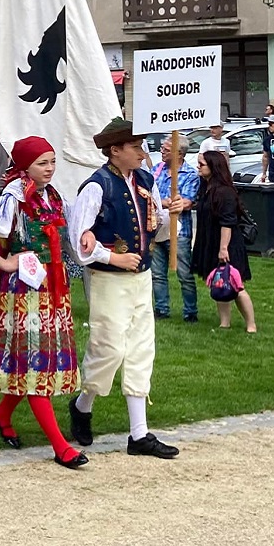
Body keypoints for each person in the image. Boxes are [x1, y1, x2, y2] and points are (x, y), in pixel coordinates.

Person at [0, 137, 88, 469]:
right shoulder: (14, 197)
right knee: (35, 364)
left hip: (53, 288)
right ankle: (61, 446)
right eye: (42, 163)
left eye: (51, 162)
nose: (49, 168)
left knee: (35, 363)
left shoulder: (53, 195)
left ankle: (2, 414)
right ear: (25, 166)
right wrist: (5, 263)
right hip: (24, 292)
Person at [67, 117, 183, 460]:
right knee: (109, 348)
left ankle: (139, 433)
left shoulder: (146, 180)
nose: (141, 153)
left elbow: (155, 231)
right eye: (135, 147)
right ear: (115, 150)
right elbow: (78, 239)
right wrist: (113, 258)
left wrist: (168, 214)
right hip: (109, 279)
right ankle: (82, 404)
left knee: (140, 348)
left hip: (140, 278)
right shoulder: (97, 186)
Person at [193, 150, 257, 332]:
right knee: (220, 282)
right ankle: (224, 322)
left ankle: (251, 324)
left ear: (213, 167)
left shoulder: (225, 192)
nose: (198, 167)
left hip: (227, 244)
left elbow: (227, 222)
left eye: (202, 164)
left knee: (236, 284)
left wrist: (223, 248)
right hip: (212, 242)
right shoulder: (206, 187)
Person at [150, 138, 200, 322]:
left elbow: (184, 203)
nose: (162, 150)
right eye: (162, 147)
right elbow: (147, 195)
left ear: (179, 154)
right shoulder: (156, 170)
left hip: (178, 233)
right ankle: (161, 309)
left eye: (167, 149)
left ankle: (190, 312)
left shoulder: (189, 175)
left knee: (184, 274)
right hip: (156, 230)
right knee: (157, 273)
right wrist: (163, 202)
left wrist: (161, 202)